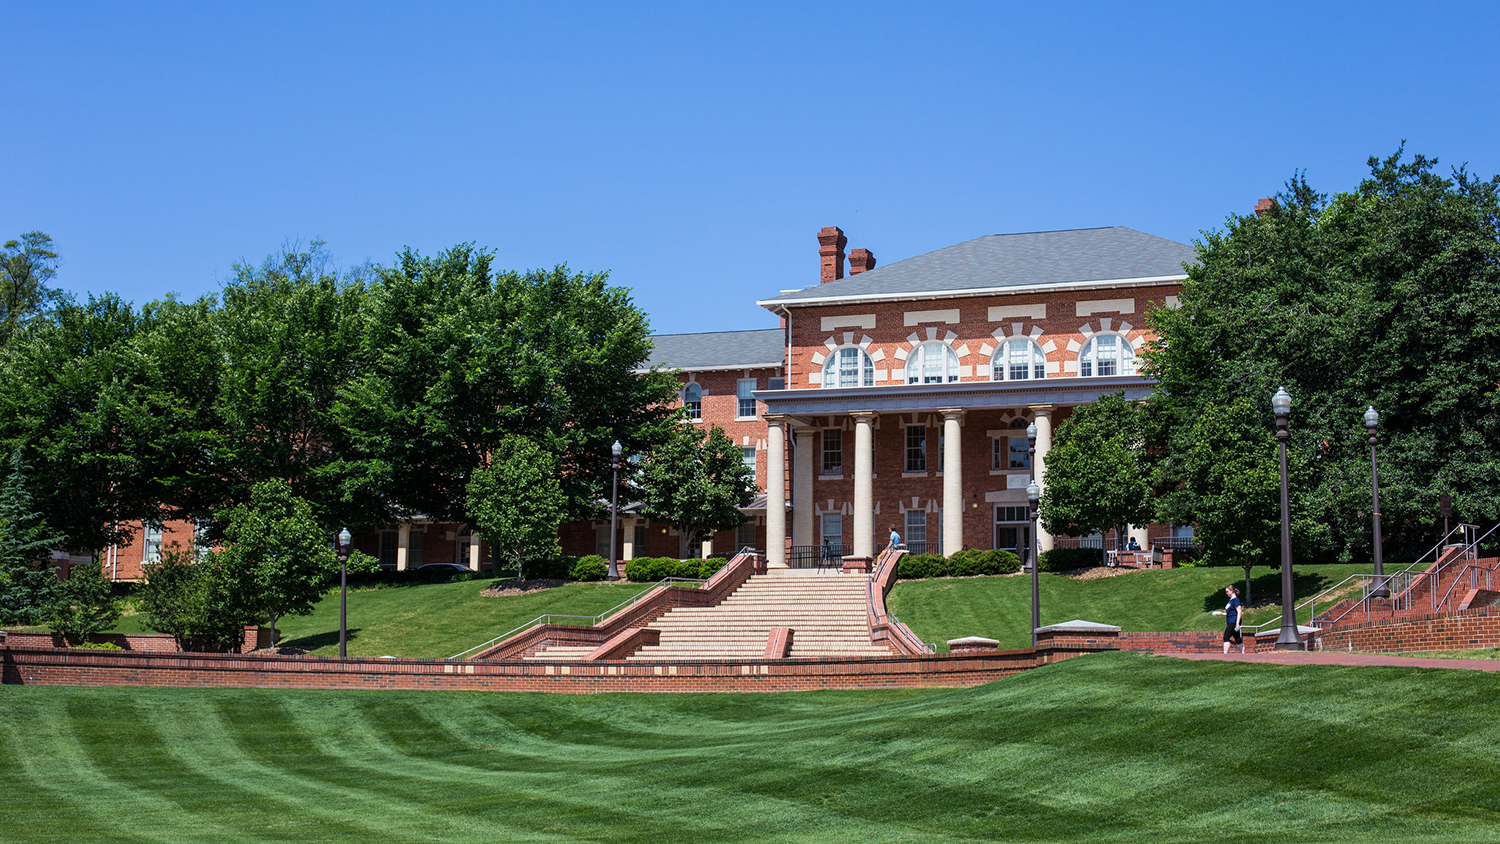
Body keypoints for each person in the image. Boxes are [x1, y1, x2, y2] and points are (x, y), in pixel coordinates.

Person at [1219, 584, 1244, 654]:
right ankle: (1242, 653)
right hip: (1230, 621)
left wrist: (1237, 624)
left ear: (1232, 591)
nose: (1226, 593)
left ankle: (1225, 654)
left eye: (1227, 591)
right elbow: (1230, 612)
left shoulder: (1236, 600)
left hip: (1234, 622)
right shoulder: (1230, 600)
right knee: (1237, 637)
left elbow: (1239, 611)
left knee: (1226, 637)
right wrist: (1221, 614)